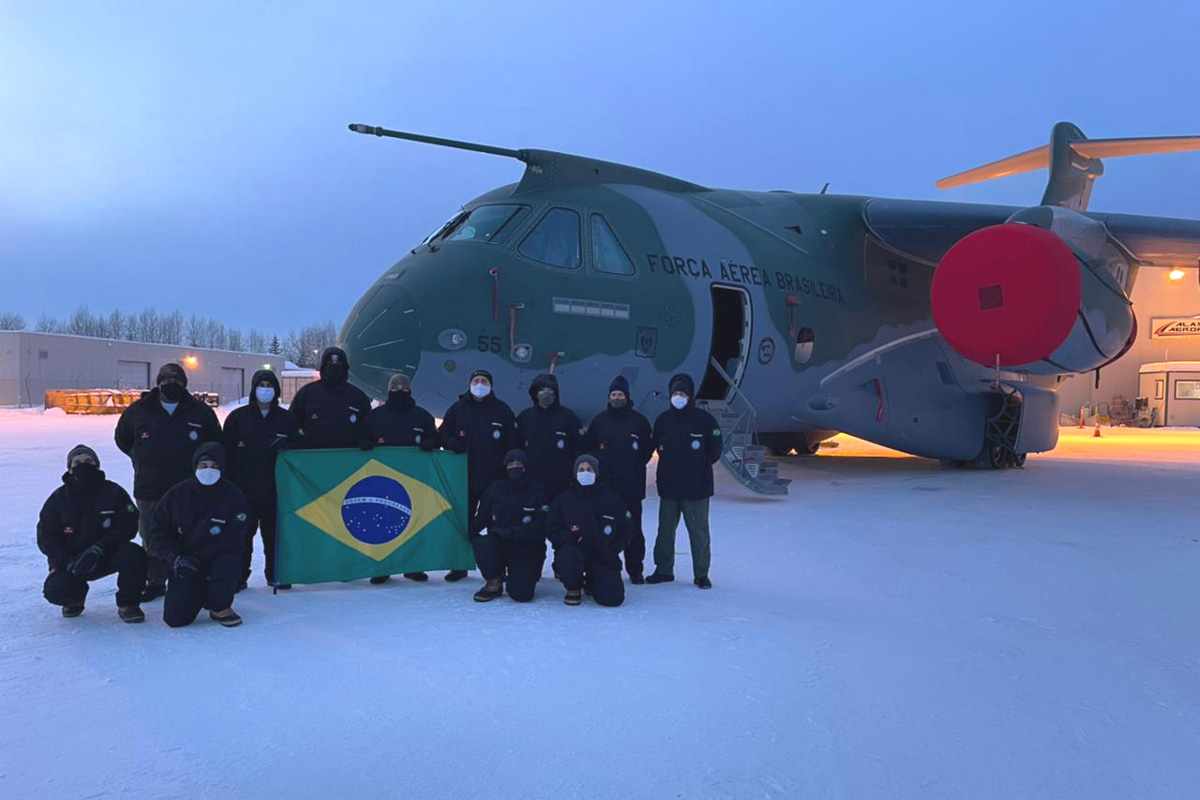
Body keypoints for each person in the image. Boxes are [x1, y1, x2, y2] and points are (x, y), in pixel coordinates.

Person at [114, 362, 221, 602]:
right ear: (158, 383)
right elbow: (122, 439)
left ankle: (189, 576)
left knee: (191, 533)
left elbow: (214, 443)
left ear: (184, 384)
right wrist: (140, 457)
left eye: (176, 381)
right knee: (152, 536)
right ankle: (155, 581)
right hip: (150, 486)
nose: (170, 385)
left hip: (190, 488)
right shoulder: (138, 411)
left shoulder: (200, 412)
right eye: (165, 380)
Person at [37, 445, 148, 622]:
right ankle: (74, 599)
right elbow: (46, 537)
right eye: (78, 462)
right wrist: (66, 560)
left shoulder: (114, 492)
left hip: (106, 554)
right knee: (56, 589)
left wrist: (99, 548)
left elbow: (128, 525)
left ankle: (128, 604)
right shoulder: (58, 499)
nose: (83, 465)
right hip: (72, 560)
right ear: (69, 467)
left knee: (134, 555)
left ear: (97, 464)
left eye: (88, 461)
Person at [148, 443, 249, 628]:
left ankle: (220, 607)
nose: (208, 470)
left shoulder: (233, 495)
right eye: (203, 465)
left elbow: (238, 536)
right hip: (185, 561)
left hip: (219, 559)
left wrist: (216, 558)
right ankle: (197, 593)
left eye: (214, 466)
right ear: (195, 467)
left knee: (229, 564)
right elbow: (156, 534)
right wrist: (176, 558)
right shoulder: (177, 494)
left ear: (222, 468)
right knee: (176, 619)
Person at [222, 368, 298, 591]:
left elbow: (298, 450)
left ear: (276, 391)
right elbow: (225, 452)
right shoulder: (237, 418)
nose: (265, 390)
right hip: (243, 490)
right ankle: (239, 576)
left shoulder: (287, 419)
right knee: (242, 536)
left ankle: (277, 574)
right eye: (261, 386)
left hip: (276, 490)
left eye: (270, 386)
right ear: (253, 389)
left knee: (275, 536)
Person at [438, 369, 516, 582]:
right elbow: (443, 434)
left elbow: (513, 442)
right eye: (476, 380)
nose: (480, 384)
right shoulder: (458, 409)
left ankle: (500, 566)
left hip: (495, 479)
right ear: (469, 384)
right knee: (463, 521)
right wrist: (452, 443)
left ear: (491, 385)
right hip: (465, 477)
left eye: (484, 381)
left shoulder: (502, 410)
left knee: (497, 524)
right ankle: (460, 564)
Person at [648, 374, 721, 589]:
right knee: (665, 532)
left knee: (699, 533)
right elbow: (653, 446)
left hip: (697, 489)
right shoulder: (663, 420)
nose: (678, 397)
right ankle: (663, 570)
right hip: (669, 488)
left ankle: (701, 574)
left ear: (690, 396)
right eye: (675, 394)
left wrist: (698, 466)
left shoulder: (705, 421)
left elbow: (715, 450)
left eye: (682, 394)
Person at [366, 372, 438, 584]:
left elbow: (435, 437)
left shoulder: (422, 416)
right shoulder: (376, 416)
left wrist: (430, 443)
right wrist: (364, 442)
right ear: (388, 391)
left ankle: (413, 566)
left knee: (414, 523)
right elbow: (361, 435)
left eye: (403, 388)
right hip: (382, 481)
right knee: (381, 524)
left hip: (415, 481)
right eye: (395, 388)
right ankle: (382, 567)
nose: (399, 391)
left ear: (410, 390)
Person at [581, 375, 653, 583]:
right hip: (605, 489)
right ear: (609, 397)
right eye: (613, 394)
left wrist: (632, 466)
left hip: (631, 488)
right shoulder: (600, 420)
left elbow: (647, 450)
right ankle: (603, 566)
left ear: (627, 396)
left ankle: (635, 569)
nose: (616, 397)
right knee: (603, 528)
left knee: (633, 531)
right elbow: (588, 446)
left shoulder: (639, 421)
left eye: (620, 394)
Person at [547, 454, 630, 607]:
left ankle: (593, 581)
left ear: (596, 473)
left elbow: (625, 530)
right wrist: (568, 539)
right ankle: (574, 587)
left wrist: (612, 549)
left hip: (602, 554)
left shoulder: (611, 498)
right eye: (581, 469)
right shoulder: (564, 499)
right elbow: (552, 528)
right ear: (575, 473)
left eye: (589, 469)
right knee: (568, 557)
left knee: (613, 599)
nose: (585, 472)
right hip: (574, 552)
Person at [470, 450, 548, 602]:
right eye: (511, 464)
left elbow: (541, 524)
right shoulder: (495, 489)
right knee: (483, 543)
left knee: (521, 594)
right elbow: (481, 517)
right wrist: (468, 532)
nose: (514, 467)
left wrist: (513, 532)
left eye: (518, 463)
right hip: (500, 542)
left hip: (526, 546)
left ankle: (523, 577)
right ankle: (494, 581)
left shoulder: (537, 490)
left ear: (525, 466)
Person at [289, 346, 373, 450]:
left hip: (350, 461)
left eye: (339, 364)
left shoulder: (358, 397)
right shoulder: (306, 394)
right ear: (323, 367)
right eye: (330, 364)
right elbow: (290, 424)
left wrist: (367, 440)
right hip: (312, 460)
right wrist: (298, 441)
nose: (334, 368)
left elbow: (370, 428)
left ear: (345, 368)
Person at [516, 373, 582, 501]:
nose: (546, 393)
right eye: (541, 390)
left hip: (562, 483)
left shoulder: (568, 417)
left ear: (556, 393)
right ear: (535, 393)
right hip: (531, 482)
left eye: (550, 389)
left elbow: (578, 448)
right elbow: (516, 448)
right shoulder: (525, 417)